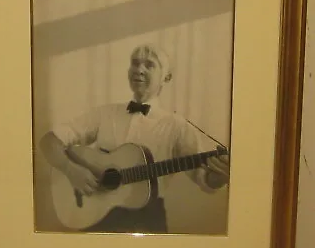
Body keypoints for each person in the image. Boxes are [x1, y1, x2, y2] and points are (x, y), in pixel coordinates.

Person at [39, 43, 230, 233]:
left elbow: (205, 179)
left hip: (146, 220)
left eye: (149, 65)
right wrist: (71, 170)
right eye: (135, 63)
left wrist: (220, 175)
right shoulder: (105, 113)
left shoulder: (177, 126)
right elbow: (49, 141)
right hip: (93, 216)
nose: (139, 69)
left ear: (167, 77)